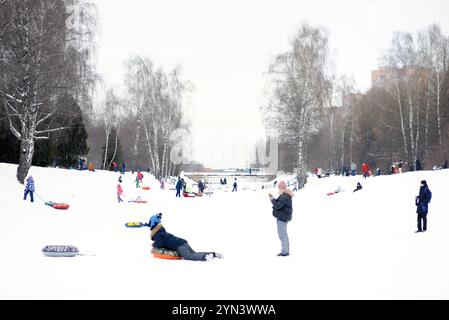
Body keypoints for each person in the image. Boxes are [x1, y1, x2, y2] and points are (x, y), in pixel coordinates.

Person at [146, 213, 223, 261]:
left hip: (179, 245)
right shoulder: (163, 232)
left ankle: (205, 257)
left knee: (188, 256)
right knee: (194, 253)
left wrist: (153, 245)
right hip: (183, 242)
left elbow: (159, 244)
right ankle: (213, 254)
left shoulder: (157, 235)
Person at [269, 181, 293, 257]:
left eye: (279, 188)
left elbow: (277, 206)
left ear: (282, 188)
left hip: (282, 218)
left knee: (282, 235)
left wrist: (272, 199)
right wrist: (273, 198)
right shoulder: (284, 195)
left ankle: (285, 251)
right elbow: (279, 204)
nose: (278, 190)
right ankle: (285, 250)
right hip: (283, 217)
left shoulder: (284, 196)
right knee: (283, 234)